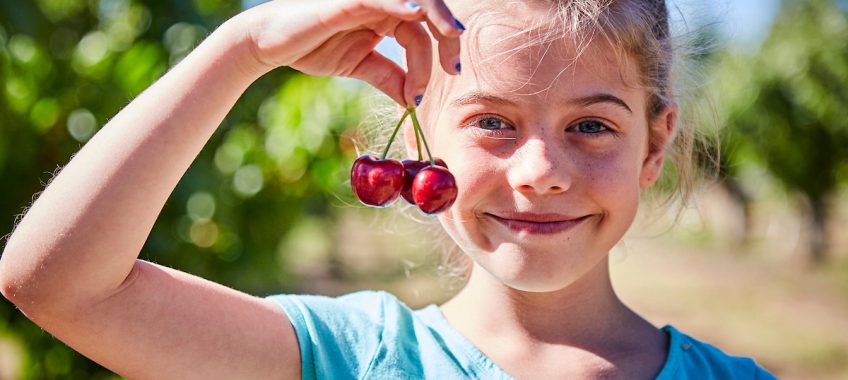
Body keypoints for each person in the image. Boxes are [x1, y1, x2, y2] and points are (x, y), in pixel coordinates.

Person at [0, 0, 776, 378]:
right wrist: (240, 50)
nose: (541, 169)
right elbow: (60, 287)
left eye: (593, 127)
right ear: (420, 138)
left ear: (656, 143)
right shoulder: (351, 356)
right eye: (493, 123)